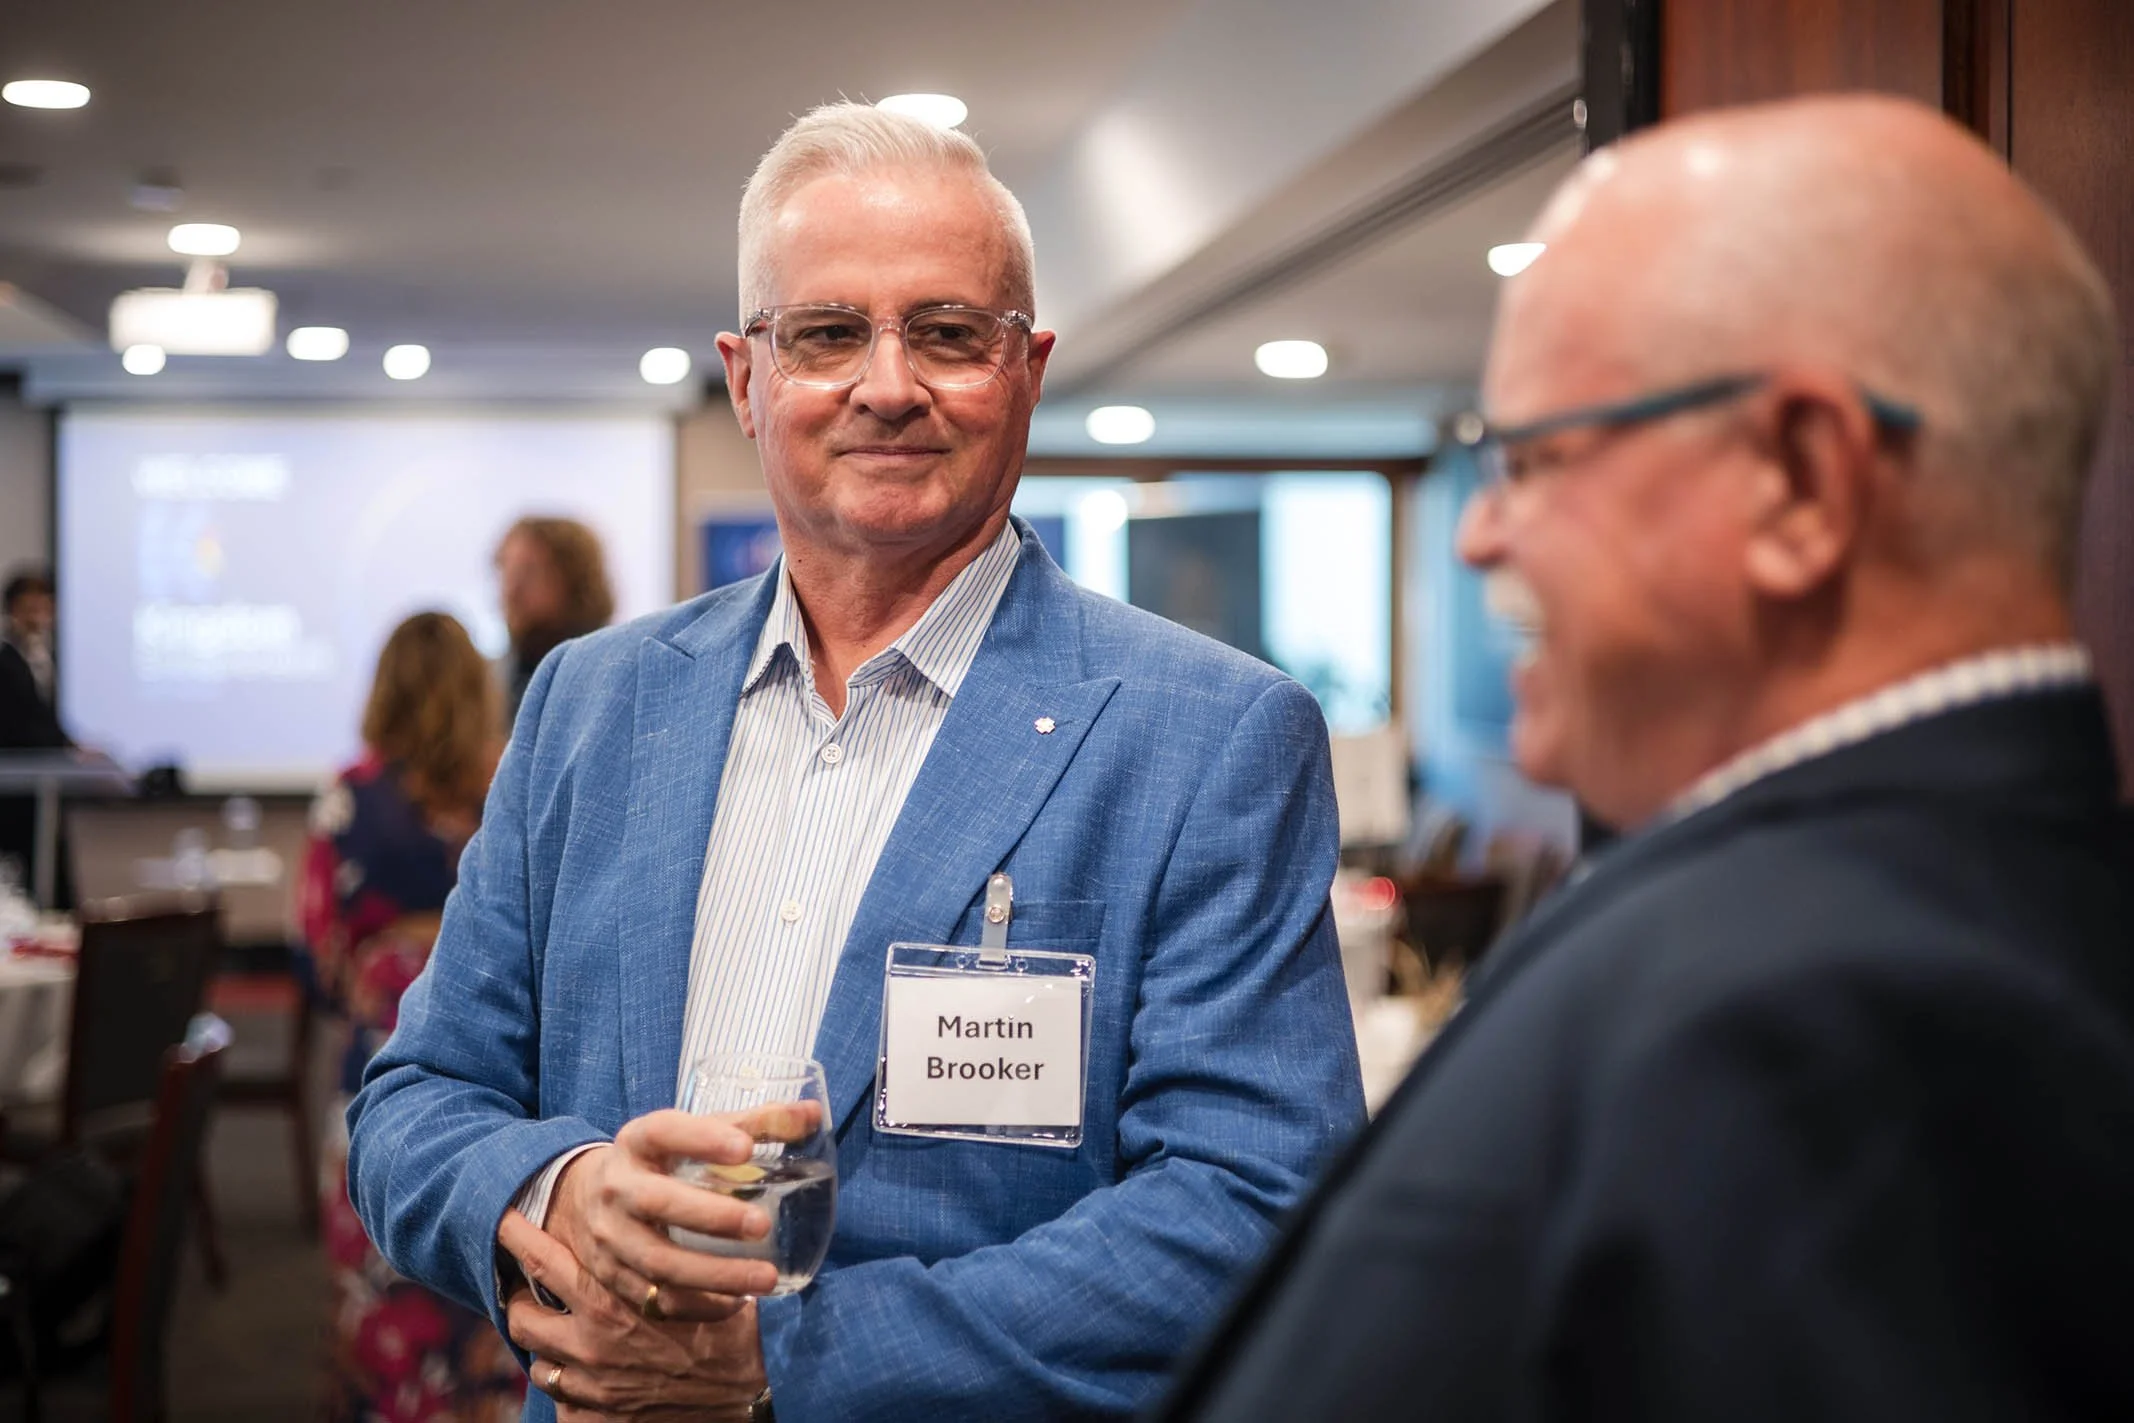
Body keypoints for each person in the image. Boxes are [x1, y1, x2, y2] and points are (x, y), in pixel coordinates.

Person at [349, 102, 1363, 1423]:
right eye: (827, 332)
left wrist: (784, 1357)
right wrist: (556, 1190)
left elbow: (1252, 1204)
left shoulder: (1209, 735)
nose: (887, 383)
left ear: (1029, 370)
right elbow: (415, 1099)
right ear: (745, 374)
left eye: (947, 332)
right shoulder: (587, 705)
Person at [1156, 94, 2134, 1421]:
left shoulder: (1838, 1013)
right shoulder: (1885, 915)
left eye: (1537, 458)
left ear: (1798, 480)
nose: (1476, 540)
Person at [299, 612, 519, 1421]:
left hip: (374, 1091)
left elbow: (314, 959)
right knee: (486, 1280)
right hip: (498, 1087)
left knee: (383, 1289)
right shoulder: (513, 789)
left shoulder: (350, 800)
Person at [493, 516, 615, 725]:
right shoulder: (499, 680)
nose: (510, 591)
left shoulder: (610, 676)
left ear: (575, 582)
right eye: (506, 572)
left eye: (529, 572)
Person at [0, 569, 74, 908]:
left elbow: (48, 719)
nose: (38, 616)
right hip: (15, 790)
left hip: (47, 790)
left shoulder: (51, 659)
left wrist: (70, 746)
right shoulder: (5, 660)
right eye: (30, 608)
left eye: (44, 607)